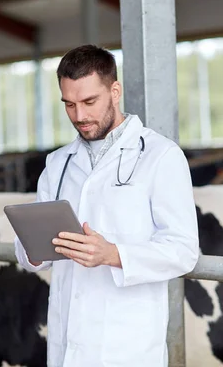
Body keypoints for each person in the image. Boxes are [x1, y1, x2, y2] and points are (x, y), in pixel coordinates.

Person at [14, 44, 199, 367]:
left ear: (115, 91)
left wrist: (113, 254)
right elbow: (28, 252)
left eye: (89, 102)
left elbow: (183, 251)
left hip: (126, 345)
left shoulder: (160, 156)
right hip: (66, 341)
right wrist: (33, 249)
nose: (80, 116)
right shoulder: (58, 163)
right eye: (69, 105)